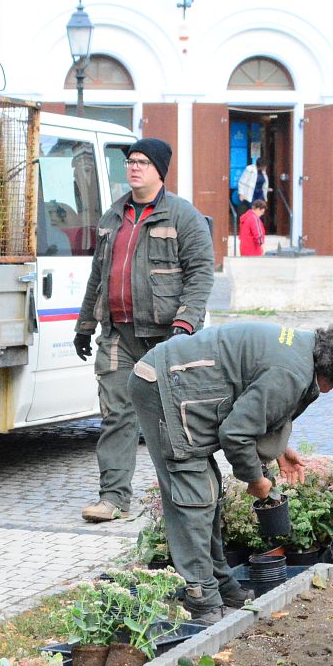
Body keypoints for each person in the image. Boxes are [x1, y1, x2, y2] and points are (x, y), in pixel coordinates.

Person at [130, 320, 333, 623]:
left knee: (207, 493)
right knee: (192, 496)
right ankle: (200, 598)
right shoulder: (290, 373)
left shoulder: (304, 348)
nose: (331, 390)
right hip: (163, 386)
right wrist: (256, 480)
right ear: (331, 371)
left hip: (182, 381)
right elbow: (236, 433)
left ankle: (219, 582)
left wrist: (281, 449)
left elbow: (257, 403)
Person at [74, 137, 214, 523]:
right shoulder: (111, 217)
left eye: (141, 162)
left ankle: (187, 497)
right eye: (130, 162)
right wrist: (85, 326)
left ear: (158, 171)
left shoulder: (183, 217)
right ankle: (113, 498)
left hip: (166, 338)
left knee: (172, 418)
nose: (133, 167)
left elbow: (202, 274)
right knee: (116, 414)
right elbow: (97, 276)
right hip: (118, 334)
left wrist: (184, 324)